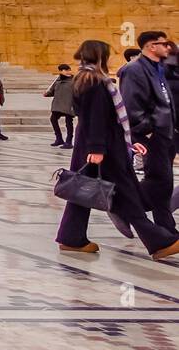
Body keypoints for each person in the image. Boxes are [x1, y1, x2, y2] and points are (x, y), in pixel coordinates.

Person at [56, 39, 179, 260]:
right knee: (127, 195)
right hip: (104, 150)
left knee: (81, 190)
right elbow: (96, 118)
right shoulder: (94, 81)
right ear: (100, 55)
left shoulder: (83, 79)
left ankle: (71, 237)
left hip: (96, 145)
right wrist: (98, 149)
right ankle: (160, 243)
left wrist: (129, 140)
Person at [118, 30, 176, 234]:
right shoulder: (134, 70)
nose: (168, 47)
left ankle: (166, 227)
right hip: (151, 135)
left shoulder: (157, 68)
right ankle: (121, 206)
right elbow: (131, 103)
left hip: (165, 133)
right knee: (159, 180)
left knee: (163, 183)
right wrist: (147, 130)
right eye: (164, 43)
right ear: (152, 46)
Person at [45, 63, 75, 148]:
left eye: (66, 70)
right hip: (58, 105)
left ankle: (69, 141)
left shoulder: (74, 80)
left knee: (68, 123)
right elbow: (52, 90)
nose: (64, 72)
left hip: (69, 105)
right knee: (53, 119)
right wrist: (47, 94)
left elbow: (78, 92)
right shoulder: (58, 80)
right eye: (62, 70)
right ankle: (59, 139)